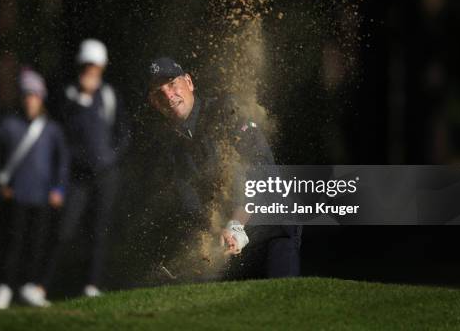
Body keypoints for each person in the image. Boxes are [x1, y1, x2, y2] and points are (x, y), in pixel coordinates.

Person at [146, 56, 302, 279]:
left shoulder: (225, 111)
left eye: (172, 84)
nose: (169, 95)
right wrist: (217, 232)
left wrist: (237, 223)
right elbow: (189, 201)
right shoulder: (169, 147)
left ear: (189, 82)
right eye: (159, 93)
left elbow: (262, 167)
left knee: (282, 302)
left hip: (272, 229)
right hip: (228, 244)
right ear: (154, 103)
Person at [45, 38, 129, 297]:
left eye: (95, 67)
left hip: (105, 176)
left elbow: (123, 133)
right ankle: (40, 285)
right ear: (80, 66)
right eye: (87, 66)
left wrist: (111, 158)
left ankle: (91, 285)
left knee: (99, 231)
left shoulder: (109, 95)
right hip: (76, 178)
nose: (91, 71)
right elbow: (58, 133)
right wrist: (82, 99)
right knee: (63, 230)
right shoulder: (67, 96)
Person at [0, 68, 69, 309]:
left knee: (38, 244)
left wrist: (59, 189)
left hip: (43, 197)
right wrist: (0, 182)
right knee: (13, 243)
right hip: (16, 196)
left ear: (41, 98)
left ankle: (30, 286)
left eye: (34, 95)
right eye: (26, 95)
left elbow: (62, 161)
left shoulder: (51, 129)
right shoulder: (9, 125)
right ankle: (3, 287)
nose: (30, 100)